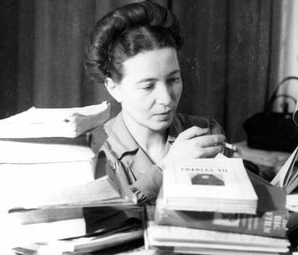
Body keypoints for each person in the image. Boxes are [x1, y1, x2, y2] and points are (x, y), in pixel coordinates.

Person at [84, 2, 226, 206]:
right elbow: (106, 218)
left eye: (173, 80)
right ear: (114, 88)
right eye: (148, 86)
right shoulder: (95, 152)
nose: (167, 99)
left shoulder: (206, 133)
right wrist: (168, 169)